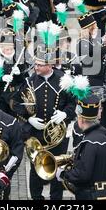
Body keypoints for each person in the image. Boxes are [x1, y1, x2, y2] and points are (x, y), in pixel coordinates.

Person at [15, 44, 75, 200]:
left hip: (58, 135)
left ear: (50, 65)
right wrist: (29, 119)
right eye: (36, 64)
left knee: (57, 167)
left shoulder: (64, 80)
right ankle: (36, 198)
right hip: (36, 134)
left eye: (40, 65)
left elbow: (74, 103)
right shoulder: (29, 82)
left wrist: (65, 114)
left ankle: (56, 199)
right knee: (36, 168)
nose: (36, 67)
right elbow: (14, 104)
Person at [57, 94, 106, 200]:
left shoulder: (89, 142)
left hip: (90, 195)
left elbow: (83, 175)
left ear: (81, 118)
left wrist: (63, 174)